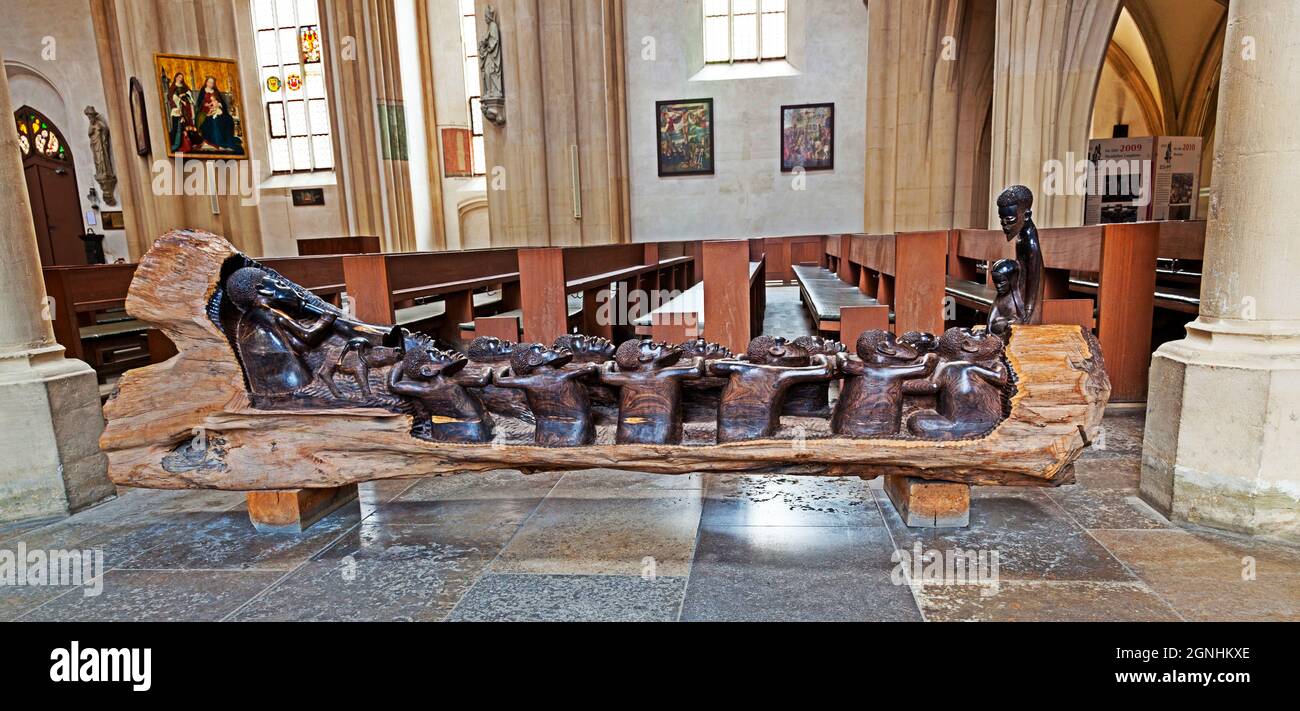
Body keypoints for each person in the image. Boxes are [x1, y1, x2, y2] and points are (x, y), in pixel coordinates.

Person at [996, 185, 1044, 323]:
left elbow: (1034, 278)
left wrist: (1028, 309)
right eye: (1002, 221)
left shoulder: (1030, 242)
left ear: (1027, 215)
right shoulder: (1021, 235)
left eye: (1010, 220)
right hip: (1020, 291)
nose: (1005, 226)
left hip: (1029, 300)